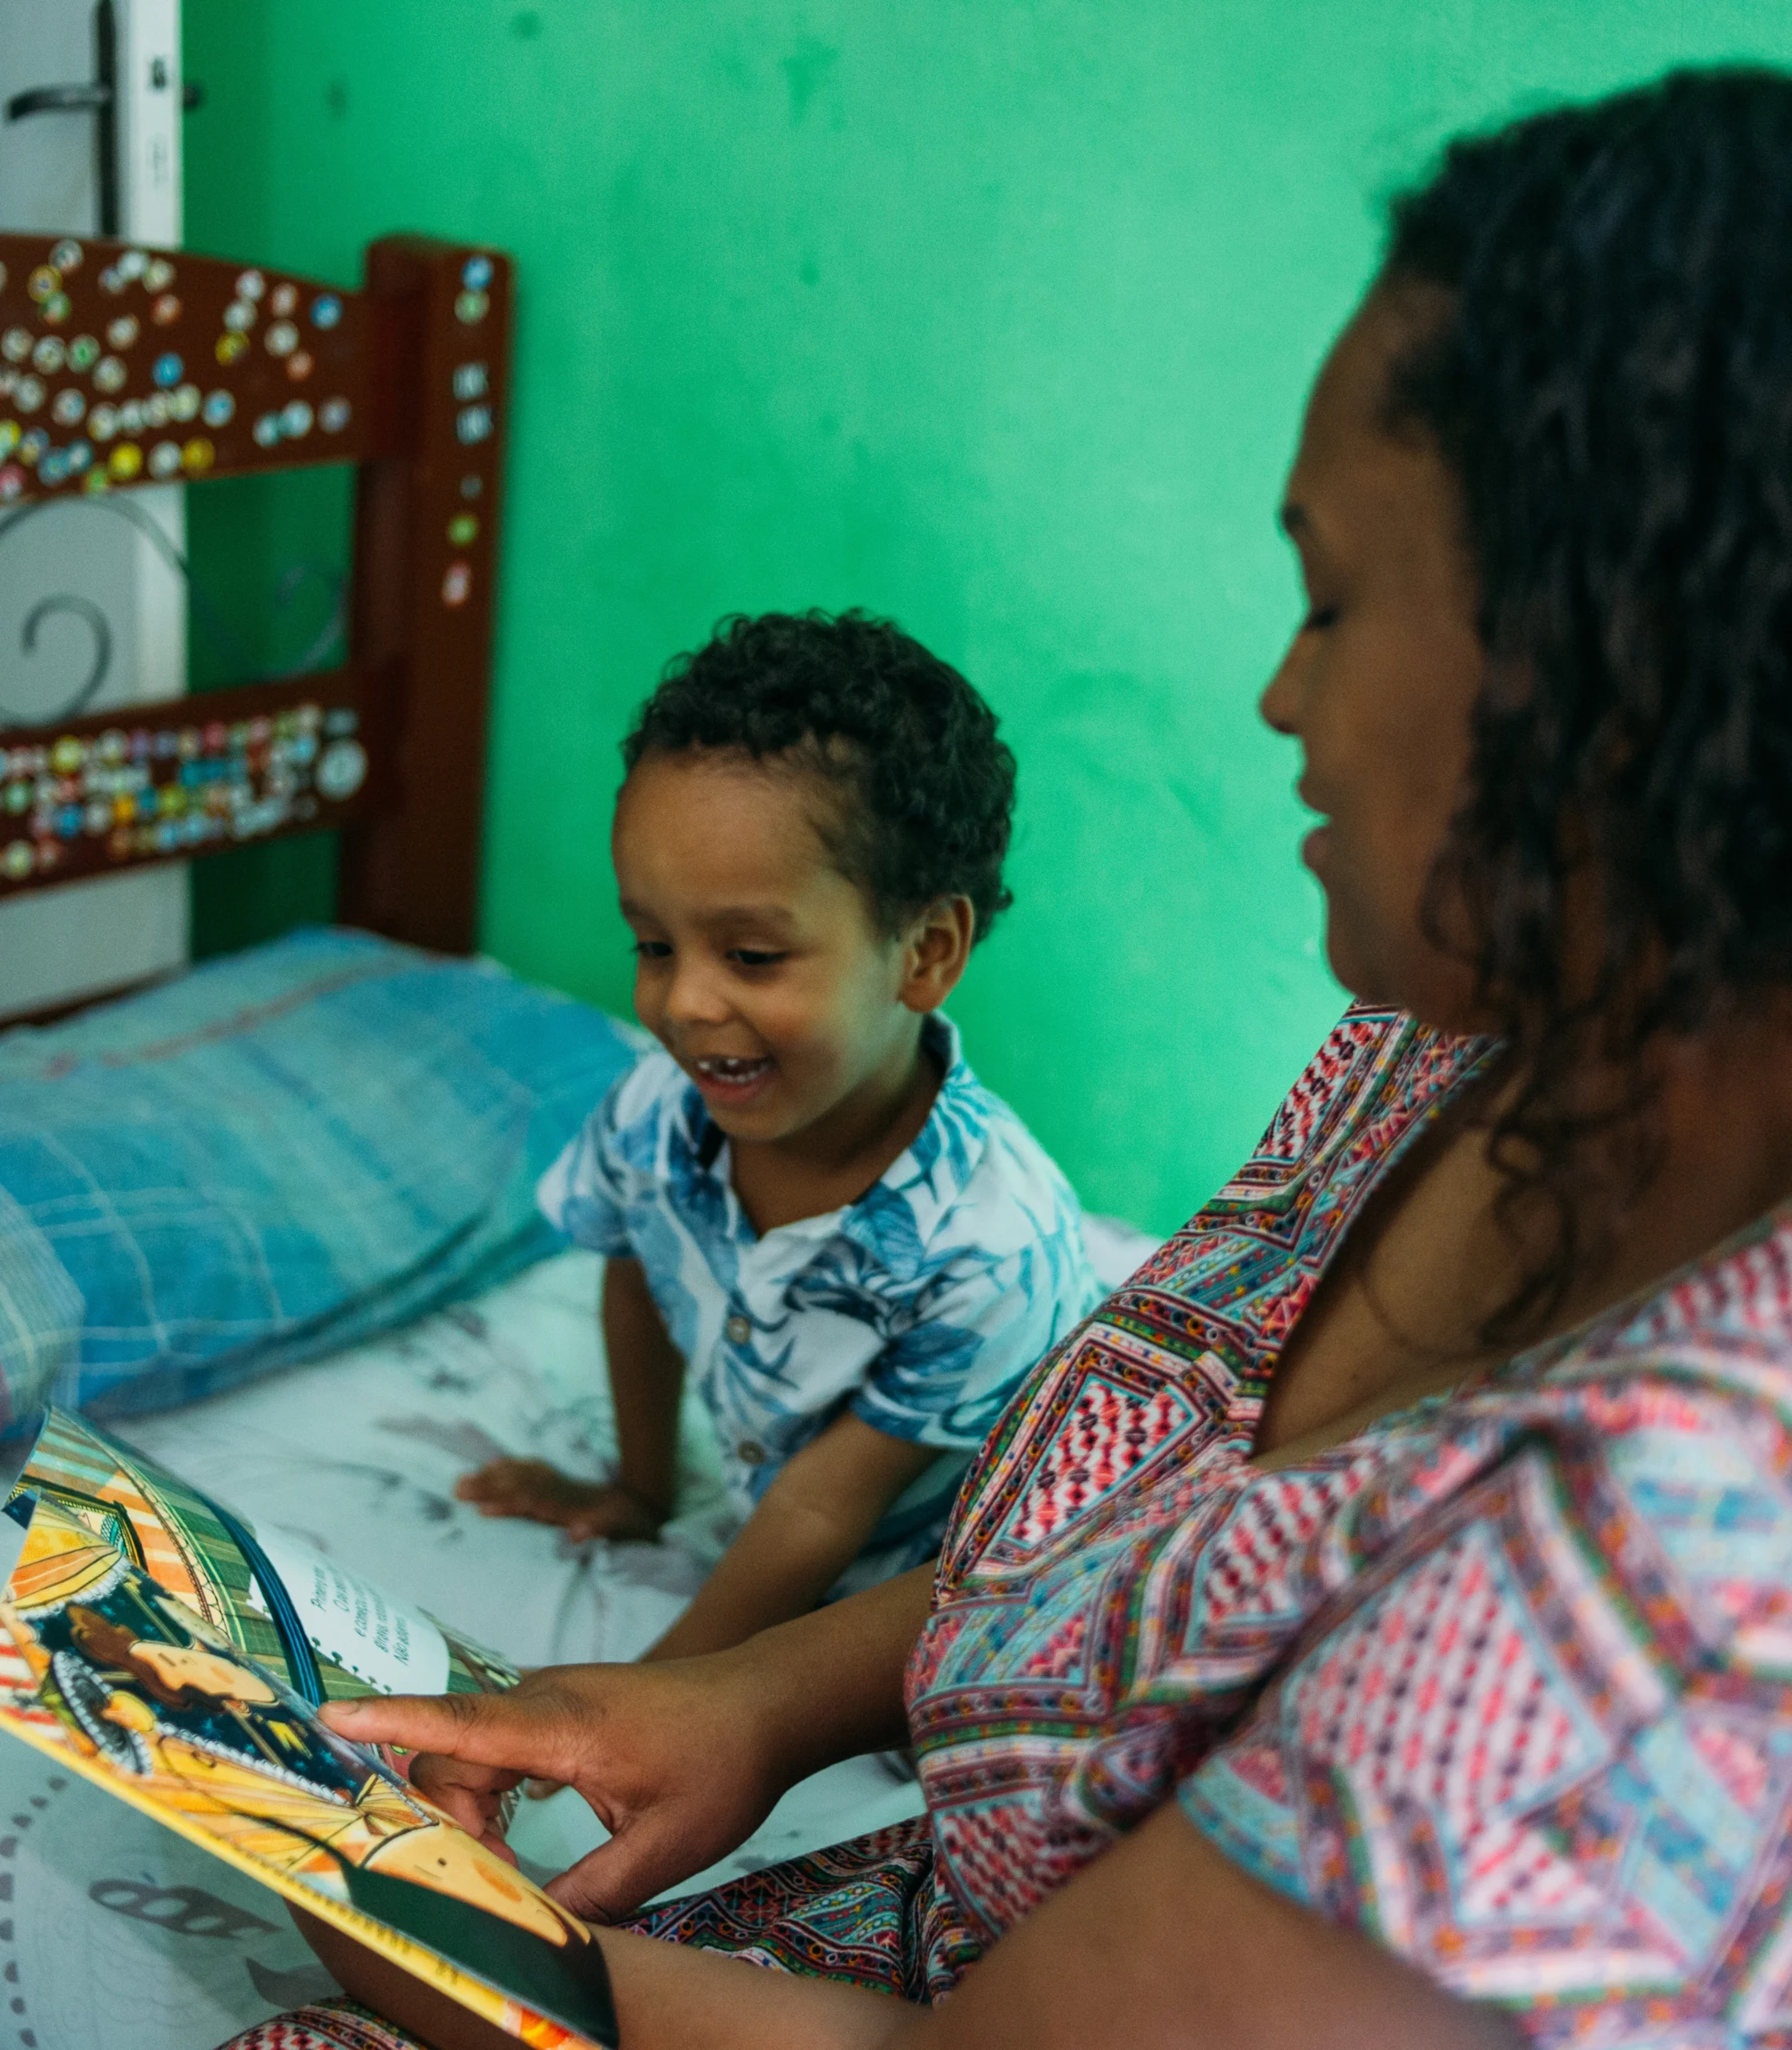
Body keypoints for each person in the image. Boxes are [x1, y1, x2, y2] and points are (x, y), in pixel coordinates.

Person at [233, 66, 1792, 2050]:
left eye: (1331, 597)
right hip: (926, 1898)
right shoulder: (1450, 1043)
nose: (1276, 691)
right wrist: (744, 1699)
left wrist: (476, 1957)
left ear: (1622, 671)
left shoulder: (1676, 1590)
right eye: (652, 944)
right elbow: (1136, 1555)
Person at [456, 610, 1099, 1661]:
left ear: (925, 953)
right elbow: (639, 1275)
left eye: (751, 956)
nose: (685, 1004)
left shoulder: (992, 1247)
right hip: (799, 1538)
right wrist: (639, 1489)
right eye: (654, 944)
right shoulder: (654, 1114)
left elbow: (818, 1512)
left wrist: (643, 1699)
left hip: (965, 1603)